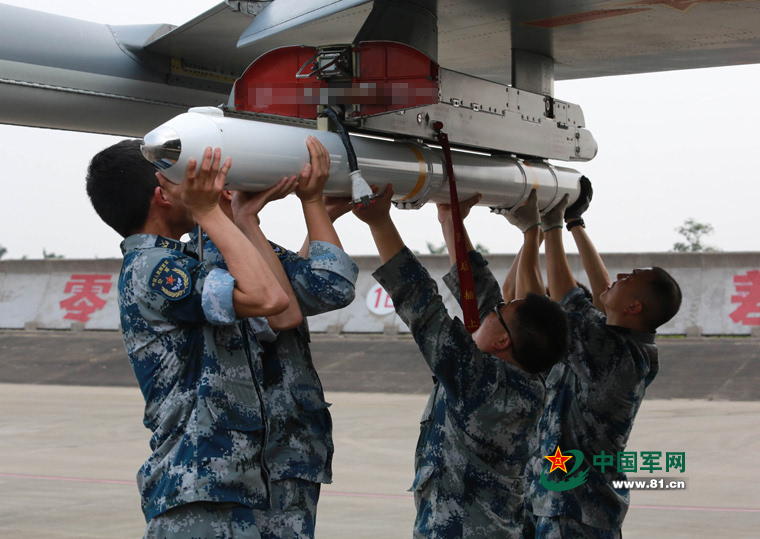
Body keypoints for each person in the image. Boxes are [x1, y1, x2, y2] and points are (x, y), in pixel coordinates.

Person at [86, 140, 291, 538]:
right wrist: (209, 210)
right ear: (163, 195)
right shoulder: (154, 267)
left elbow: (282, 314)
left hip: (223, 492)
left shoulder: (178, 260)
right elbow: (268, 297)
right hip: (197, 493)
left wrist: (241, 216)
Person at [353, 185, 569, 538]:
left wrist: (380, 222)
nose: (490, 311)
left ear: (501, 341)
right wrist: (451, 221)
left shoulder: (481, 384)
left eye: (498, 313)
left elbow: (422, 305)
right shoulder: (526, 376)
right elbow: (483, 296)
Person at [189, 137, 359, 538]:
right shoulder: (216, 258)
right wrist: (311, 204)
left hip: (265, 452)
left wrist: (322, 216)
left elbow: (299, 283)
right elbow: (323, 289)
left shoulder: (227, 255)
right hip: (275, 451)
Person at [524, 177, 682, 538]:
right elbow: (602, 296)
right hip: (566, 504)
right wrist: (574, 222)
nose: (619, 277)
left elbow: (568, 297)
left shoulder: (613, 356)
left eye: (631, 277)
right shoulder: (630, 347)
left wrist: (549, 226)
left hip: (574, 512)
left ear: (634, 306)